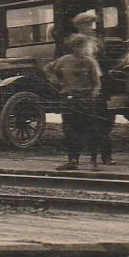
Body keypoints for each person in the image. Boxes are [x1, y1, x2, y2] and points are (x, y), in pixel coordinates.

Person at [46, 34, 102, 171]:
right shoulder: (64, 61)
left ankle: (93, 160)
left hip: (85, 98)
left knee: (90, 129)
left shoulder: (90, 62)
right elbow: (48, 69)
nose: (81, 50)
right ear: (73, 47)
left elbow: (97, 83)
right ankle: (72, 160)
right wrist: (57, 82)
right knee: (70, 130)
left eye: (83, 46)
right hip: (69, 98)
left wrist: (94, 93)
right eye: (78, 46)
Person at [66, 9, 113, 165]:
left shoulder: (97, 42)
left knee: (102, 122)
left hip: (96, 84)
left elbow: (105, 62)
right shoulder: (72, 42)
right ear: (79, 26)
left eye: (91, 24)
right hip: (79, 88)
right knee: (77, 124)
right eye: (87, 25)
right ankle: (76, 157)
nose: (90, 28)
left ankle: (105, 155)